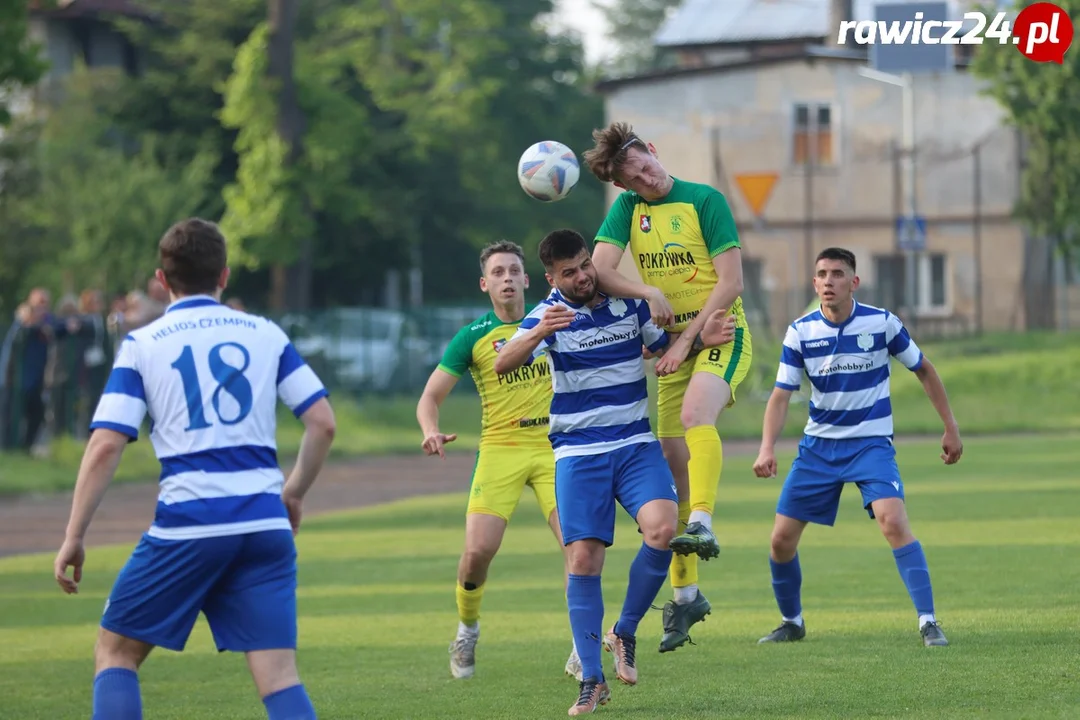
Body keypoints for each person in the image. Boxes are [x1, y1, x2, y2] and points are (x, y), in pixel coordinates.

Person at [53, 218, 337, 720]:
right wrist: (292, 493)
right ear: (224, 275)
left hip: (192, 520)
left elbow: (104, 446)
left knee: (116, 652)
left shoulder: (143, 344)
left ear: (162, 281)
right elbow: (322, 423)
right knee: (279, 676)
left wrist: (74, 534)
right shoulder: (264, 332)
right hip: (264, 525)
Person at [493, 229, 736, 715]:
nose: (582, 276)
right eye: (569, 272)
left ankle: (623, 631)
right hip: (579, 454)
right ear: (551, 278)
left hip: (633, 444)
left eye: (585, 265)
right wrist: (541, 332)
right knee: (582, 561)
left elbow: (660, 349)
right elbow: (503, 363)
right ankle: (592, 680)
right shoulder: (547, 315)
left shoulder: (628, 307)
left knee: (665, 529)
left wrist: (694, 342)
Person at [581, 121, 753, 653]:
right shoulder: (628, 211)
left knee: (697, 415)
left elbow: (730, 282)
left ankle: (703, 523)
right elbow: (600, 272)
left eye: (645, 166)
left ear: (653, 151)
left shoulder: (704, 200)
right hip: (673, 344)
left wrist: (685, 343)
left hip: (722, 333)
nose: (646, 179)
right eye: (633, 179)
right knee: (671, 475)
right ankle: (685, 597)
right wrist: (647, 289)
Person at [752, 247, 962, 648]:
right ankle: (791, 622)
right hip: (818, 448)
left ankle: (928, 621)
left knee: (893, 522)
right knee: (780, 540)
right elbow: (781, 395)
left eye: (837, 273)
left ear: (854, 281)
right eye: (821, 274)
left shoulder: (881, 323)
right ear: (814, 283)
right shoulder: (800, 331)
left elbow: (924, 369)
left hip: (870, 445)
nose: (828, 281)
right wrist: (766, 448)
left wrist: (950, 427)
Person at [415, 240, 578, 680]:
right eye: (498, 272)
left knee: (577, 547)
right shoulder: (472, 337)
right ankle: (467, 628)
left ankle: (582, 644)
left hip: (554, 448)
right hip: (500, 449)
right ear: (485, 284)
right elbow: (430, 397)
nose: (507, 278)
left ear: (527, 280)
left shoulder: (555, 317)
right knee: (477, 553)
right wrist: (430, 429)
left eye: (513, 271)